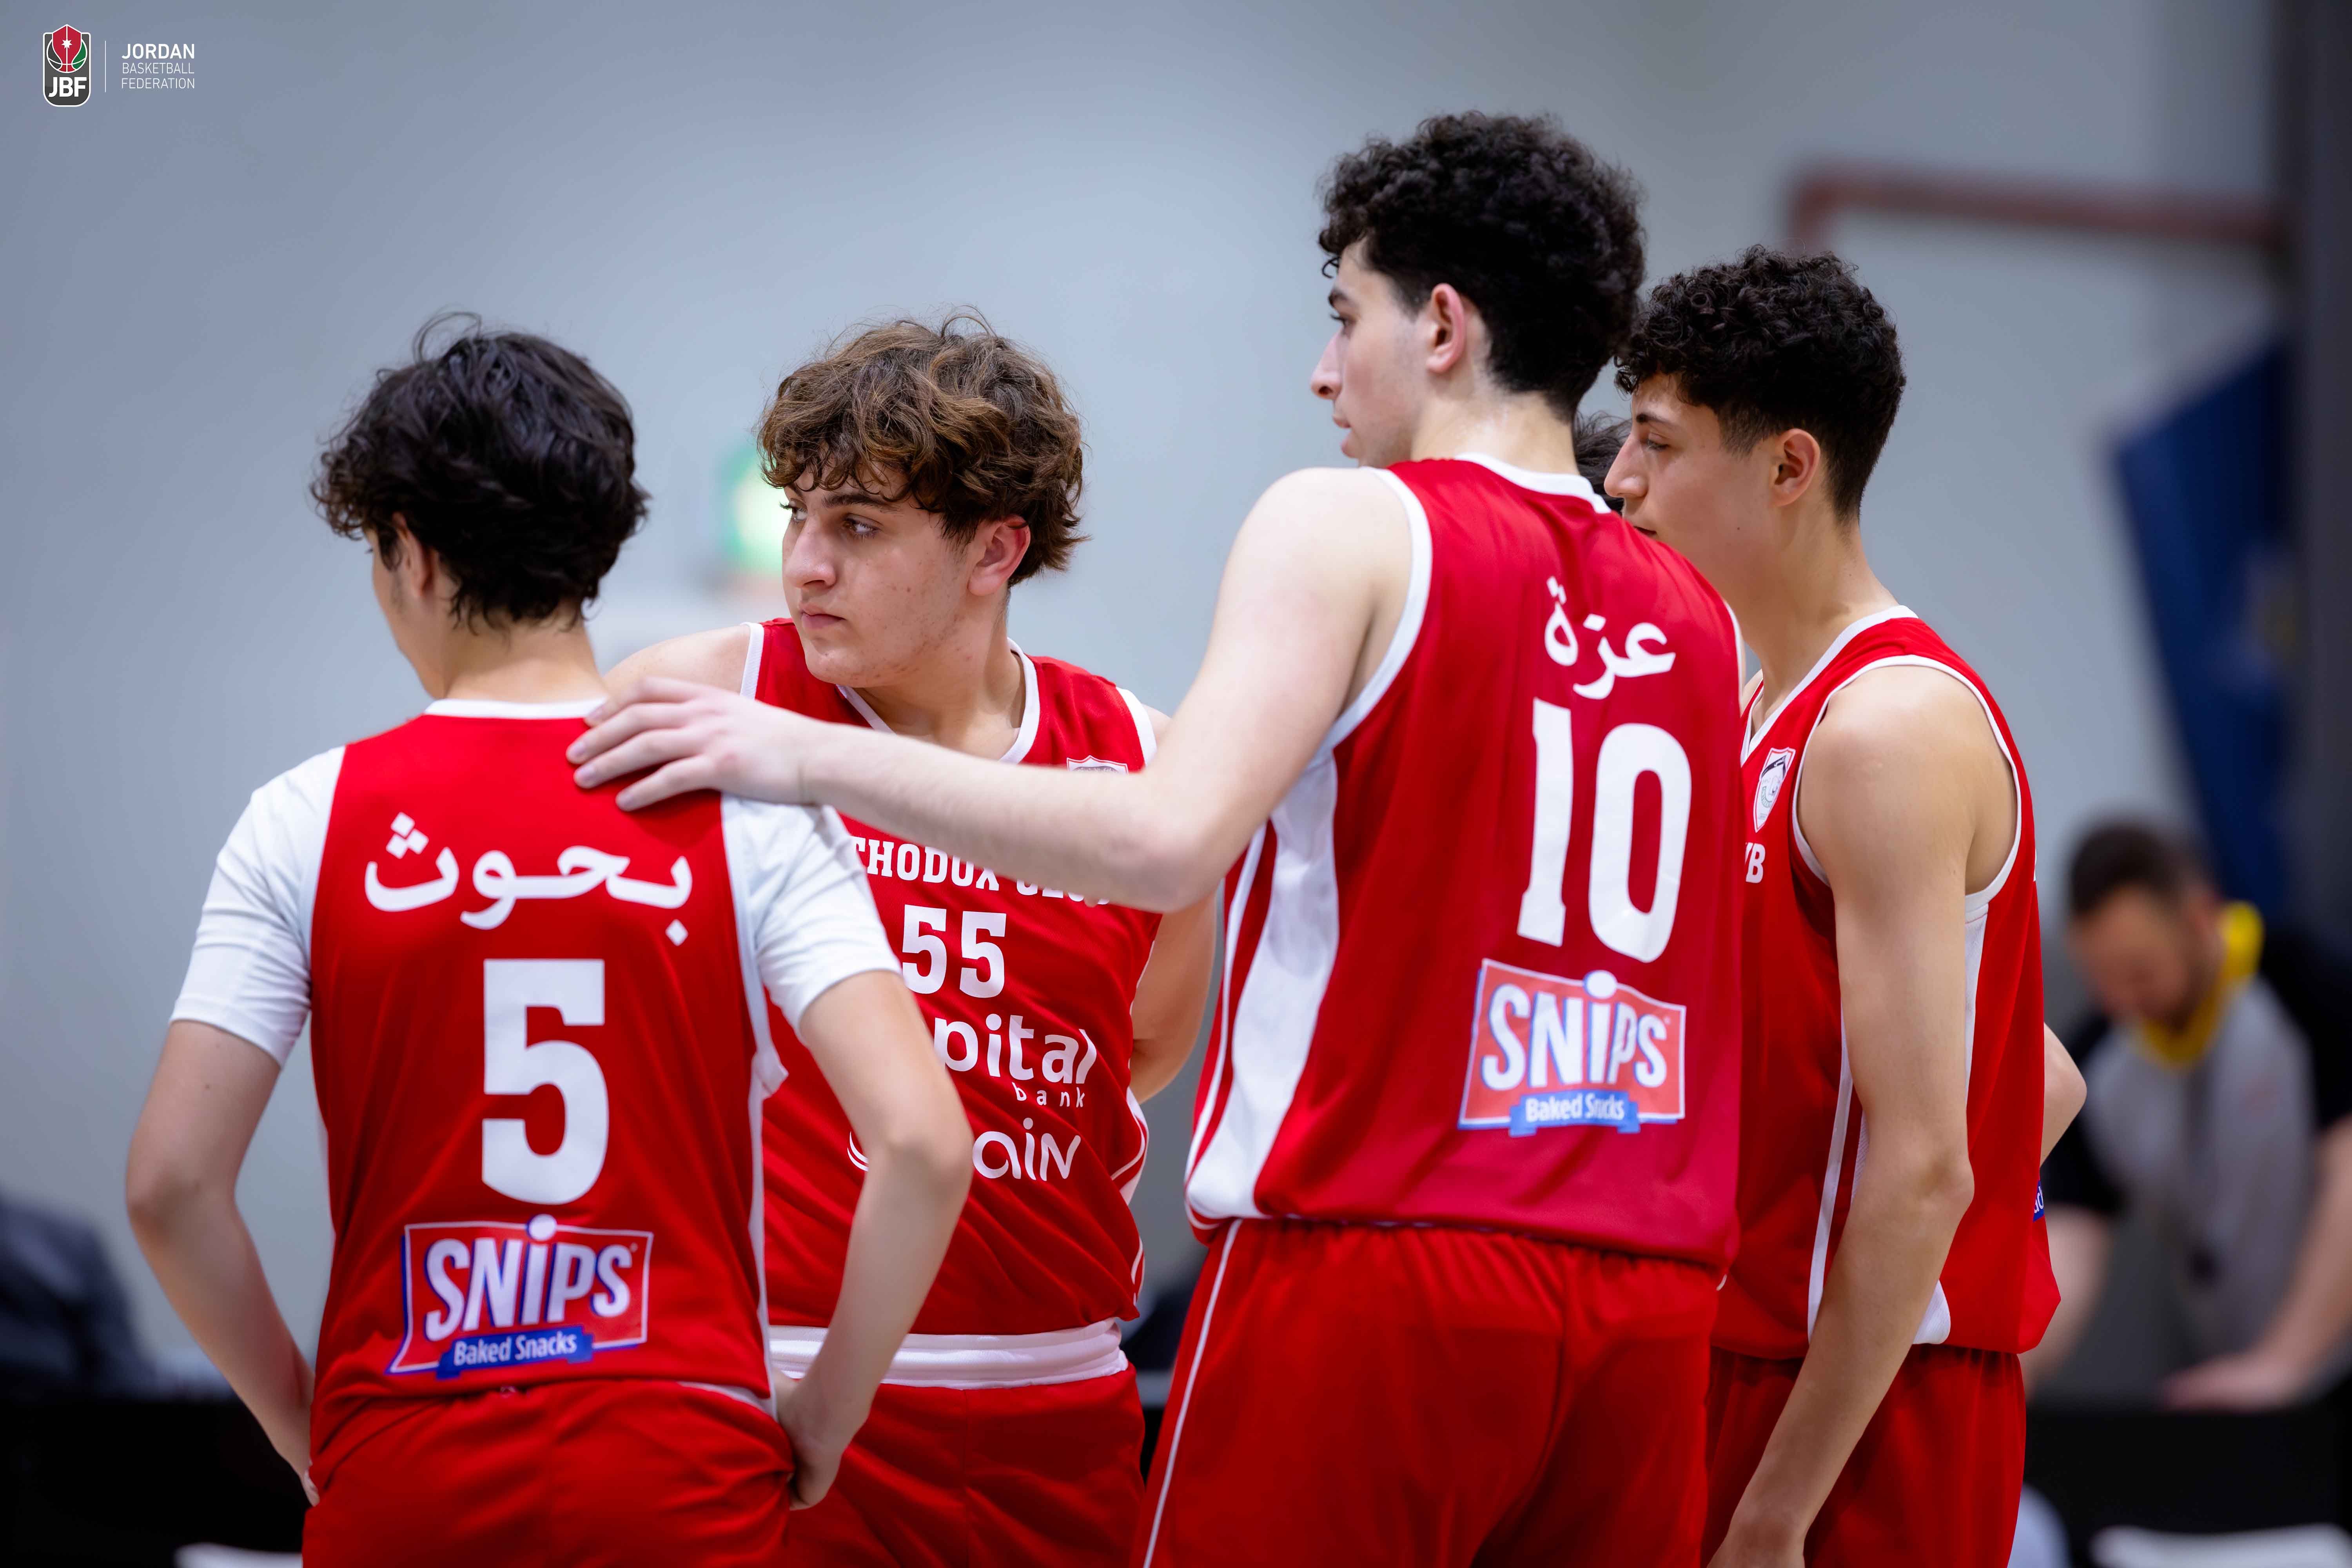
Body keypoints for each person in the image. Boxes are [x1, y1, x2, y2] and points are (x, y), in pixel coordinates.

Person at [573, 111, 1749, 1566]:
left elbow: (1165, 859)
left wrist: (805, 757)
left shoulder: (1349, 532)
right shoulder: (1698, 616)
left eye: (1345, 317)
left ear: (1442, 327)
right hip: (1645, 1288)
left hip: (1371, 1254)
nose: (1323, 369)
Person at [123, 320, 971, 1565]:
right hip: (682, 1471)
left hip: (406, 1466)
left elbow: (170, 1189)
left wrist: (308, 1429)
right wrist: (823, 1421)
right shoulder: (747, 813)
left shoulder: (303, 820)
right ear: (598, 545)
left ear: (410, 554)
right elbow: (926, 1145)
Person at [604, 315, 1216, 1566]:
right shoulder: (701, 695)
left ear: (995, 548)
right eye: (801, 518)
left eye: (860, 527)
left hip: (1055, 1401)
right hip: (770, 1385)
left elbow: (1144, 1049)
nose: (806, 565)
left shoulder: (1143, 761)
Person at [1604, 247, 2081, 1568]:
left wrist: (1777, 1509)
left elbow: (1929, 1162)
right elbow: (2038, 1073)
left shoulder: (1887, 729)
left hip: (1864, 1412)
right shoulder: (1757, 705)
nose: (1621, 479)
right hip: (1751, 1355)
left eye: (1657, 443)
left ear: (1790, 468)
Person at [2035, 820, 2352, 1424]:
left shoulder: (2311, 988)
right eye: (2101, 980)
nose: (2121, 1001)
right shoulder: (2099, 1060)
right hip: (2240, 1383)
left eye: (2140, 972)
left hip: (2317, 1364)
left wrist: (2284, 1363)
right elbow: (2069, 1245)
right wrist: (2011, 1373)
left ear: (2200, 918)